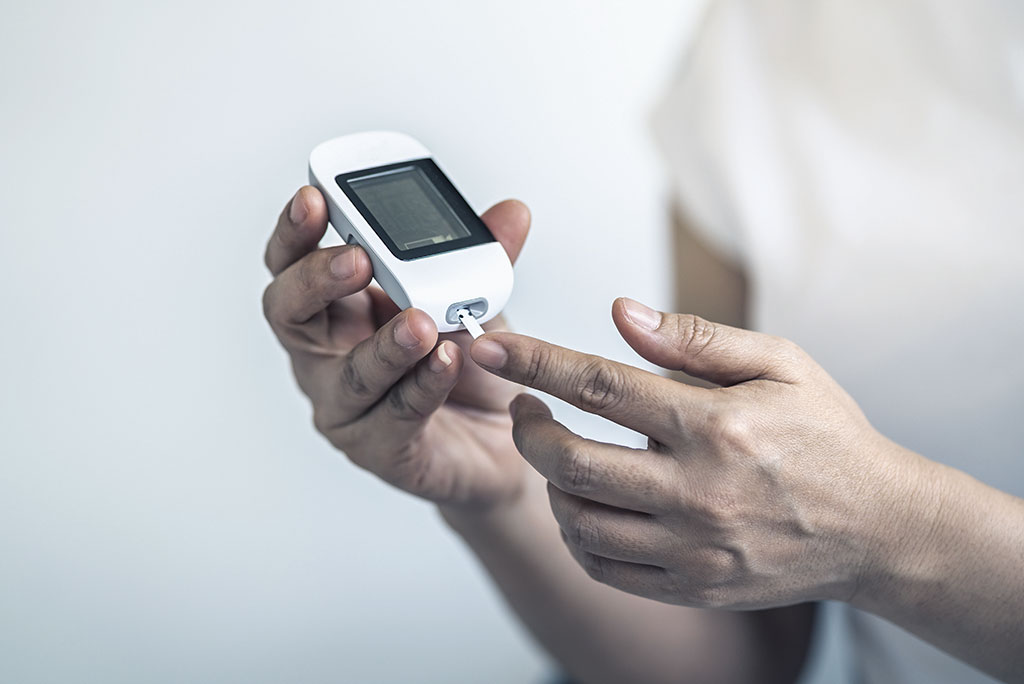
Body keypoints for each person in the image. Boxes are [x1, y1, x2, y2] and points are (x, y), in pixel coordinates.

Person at [262, 2, 1024, 681]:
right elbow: (750, 655)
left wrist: (891, 535)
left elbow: (861, 540)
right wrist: (500, 493)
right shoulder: (765, 37)